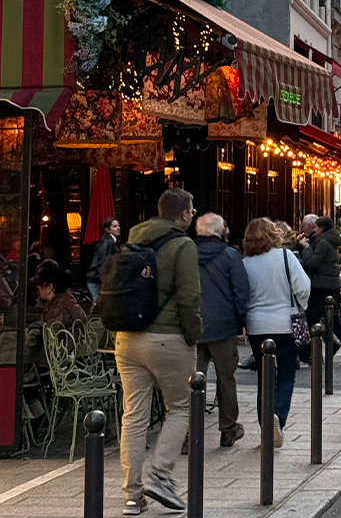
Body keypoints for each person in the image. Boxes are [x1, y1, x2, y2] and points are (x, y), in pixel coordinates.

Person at [116, 188, 201, 515]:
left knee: (134, 416)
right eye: (191, 211)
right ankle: (161, 476)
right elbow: (190, 297)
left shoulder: (132, 241)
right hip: (167, 338)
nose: (192, 216)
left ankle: (132, 496)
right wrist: (192, 337)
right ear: (182, 214)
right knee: (180, 407)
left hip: (127, 337)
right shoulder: (183, 245)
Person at [242, 217, 310, 447]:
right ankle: (277, 419)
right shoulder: (285, 256)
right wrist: (300, 305)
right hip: (284, 323)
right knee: (287, 374)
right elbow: (303, 287)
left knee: (264, 376)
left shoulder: (246, 263)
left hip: (256, 326)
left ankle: (266, 427)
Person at [194, 213, 249, 448]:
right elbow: (241, 290)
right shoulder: (230, 255)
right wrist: (241, 319)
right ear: (221, 231)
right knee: (226, 378)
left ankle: (189, 435)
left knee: (192, 381)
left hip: (191, 325)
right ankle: (228, 428)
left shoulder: (187, 252)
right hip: (223, 325)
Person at [299, 216, 341, 356]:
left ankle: (308, 354)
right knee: (331, 319)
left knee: (312, 318)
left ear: (321, 228)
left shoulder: (323, 243)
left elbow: (312, 263)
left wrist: (306, 248)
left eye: (316, 227)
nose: (314, 230)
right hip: (328, 284)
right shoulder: (328, 240)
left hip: (320, 285)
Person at [86, 217, 121, 304]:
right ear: (107, 229)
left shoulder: (112, 241)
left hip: (97, 278)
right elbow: (103, 262)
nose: (118, 228)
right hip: (96, 279)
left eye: (118, 225)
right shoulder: (107, 242)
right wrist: (105, 280)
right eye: (114, 226)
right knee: (99, 305)